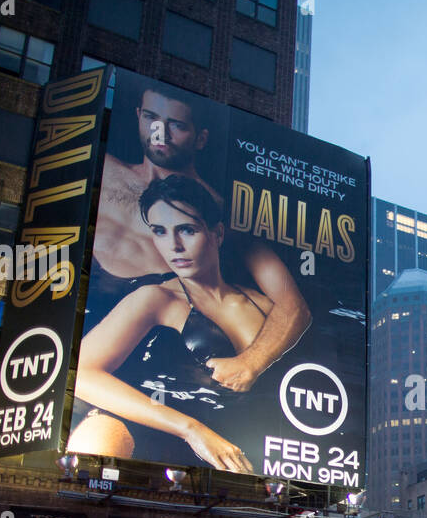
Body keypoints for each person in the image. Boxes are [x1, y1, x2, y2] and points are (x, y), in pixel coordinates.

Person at [69, 176, 310, 471]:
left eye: (187, 229)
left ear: (217, 234)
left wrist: (253, 362)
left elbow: (298, 311)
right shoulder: (155, 298)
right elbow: (81, 375)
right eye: (160, 231)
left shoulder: (263, 303)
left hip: (246, 442)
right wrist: (192, 430)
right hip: (163, 431)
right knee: (92, 448)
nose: (174, 246)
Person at [90, 82, 311, 396]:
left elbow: (293, 305)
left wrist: (251, 362)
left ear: (200, 138)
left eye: (177, 125)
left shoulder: (221, 216)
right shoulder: (105, 171)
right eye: (151, 118)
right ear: (138, 115)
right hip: (77, 328)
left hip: (145, 360)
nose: (160, 133)